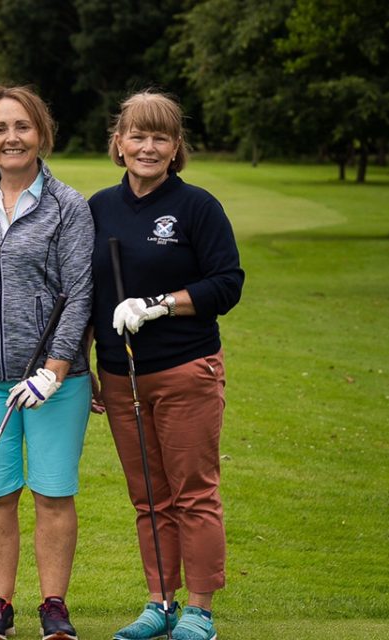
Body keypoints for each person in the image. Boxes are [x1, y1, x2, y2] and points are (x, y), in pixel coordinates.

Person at [88, 91, 244, 640]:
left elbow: (227, 284)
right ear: (119, 142)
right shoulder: (100, 207)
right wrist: (85, 362)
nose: (148, 147)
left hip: (185, 368)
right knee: (148, 497)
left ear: (176, 147)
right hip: (119, 374)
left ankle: (199, 610)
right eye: (138, 135)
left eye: (160, 137)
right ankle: (160, 602)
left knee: (193, 493)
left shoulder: (197, 206)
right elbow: (88, 292)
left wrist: (159, 305)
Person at [0, 86, 94, 640]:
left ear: (41, 133)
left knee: (53, 492)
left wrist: (55, 369)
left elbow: (80, 293)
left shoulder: (69, 206)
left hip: (55, 381)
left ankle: (54, 606)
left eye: (22, 126)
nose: (11, 138)